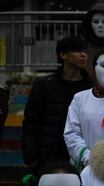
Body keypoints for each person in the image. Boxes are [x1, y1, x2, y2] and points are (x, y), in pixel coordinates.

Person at [22, 36, 92, 170]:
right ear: (63, 54)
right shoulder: (44, 85)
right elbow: (31, 123)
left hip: (80, 160)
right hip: (46, 159)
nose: (83, 55)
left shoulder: (91, 88)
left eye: (85, 51)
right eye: (78, 51)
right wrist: (32, 159)